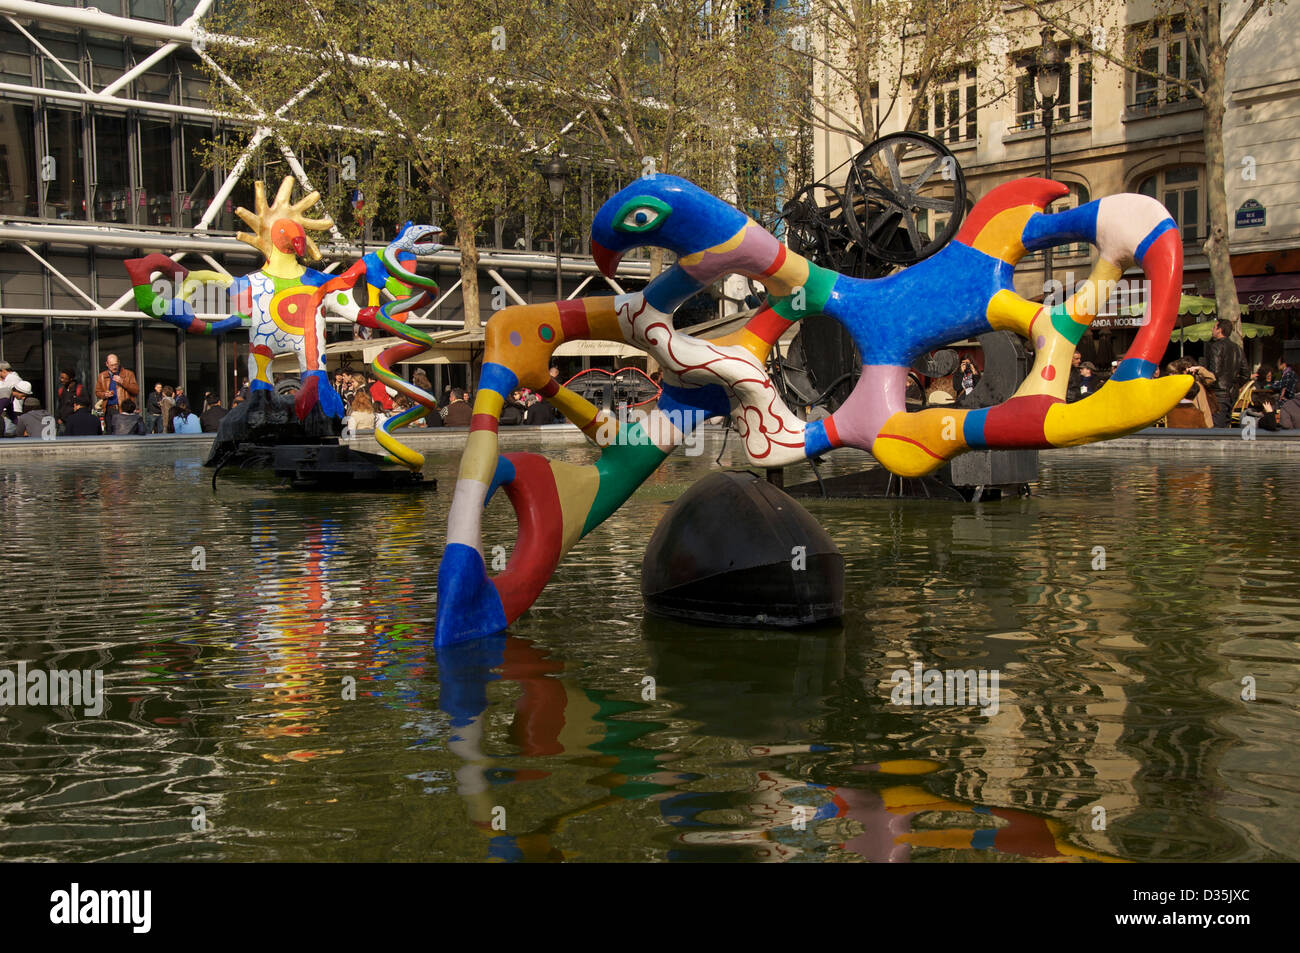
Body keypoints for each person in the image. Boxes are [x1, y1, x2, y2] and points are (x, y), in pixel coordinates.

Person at [1205, 319, 1248, 427]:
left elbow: (1214, 372)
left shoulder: (1216, 346)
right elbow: (1246, 373)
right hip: (1232, 393)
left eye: (1214, 327)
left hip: (1218, 393)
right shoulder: (1237, 348)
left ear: (1219, 330)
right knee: (1225, 426)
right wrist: (1235, 384)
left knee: (1216, 427)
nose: (1212, 329)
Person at [94, 353, 139, 433]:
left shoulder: (128, 374)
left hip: (123, 409)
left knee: (123, 432)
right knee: (109, 433)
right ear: (107, 364)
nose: (114, 367)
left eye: (116, 364)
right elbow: (97, 392)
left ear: (119, 362)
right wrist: (105, 394)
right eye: (111, 365)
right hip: (109, 409)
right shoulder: (102, 376)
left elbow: (136, 391)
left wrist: (123, 382)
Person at [55, 368, 89, 432]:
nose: (61, 380)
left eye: (64, 378)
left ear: (71, 379)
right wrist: (58, 419)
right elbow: (59, 406)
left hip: (76, 423)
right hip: (63, 423)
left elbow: (86, 404)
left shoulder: (79, 389)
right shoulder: (61, 390)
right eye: (61, 377)